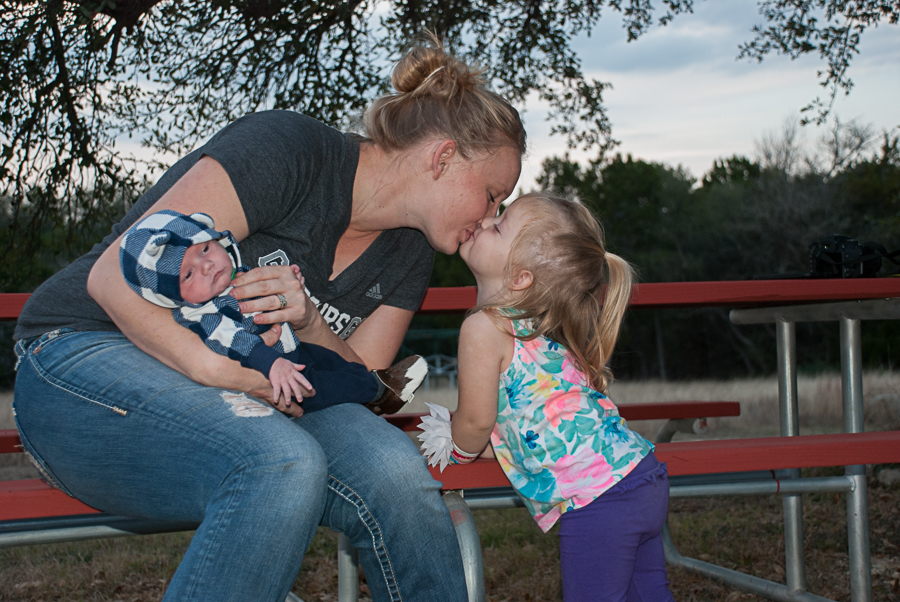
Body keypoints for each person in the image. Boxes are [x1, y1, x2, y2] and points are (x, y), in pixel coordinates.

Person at [12, 32, 525, 602]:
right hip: (83, 352)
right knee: (279, 459)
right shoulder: (289, 150)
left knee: (396, 473)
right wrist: (217, 371)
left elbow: (361, 385)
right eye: (492, 194)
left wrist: (309, 323)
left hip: (252, 397)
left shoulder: (410, 252)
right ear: (443, 157)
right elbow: (110, 276)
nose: (492, 216)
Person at [418, 193, 675, 602]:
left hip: (599, 501)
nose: (485, 220)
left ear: (521, 277)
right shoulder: (537, 331)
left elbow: (476, 422)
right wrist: (483, 448)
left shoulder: (484, 327)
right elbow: (522, 425)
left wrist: (453, 452)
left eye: (499, 225)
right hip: (642, 476)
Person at [119, 209, 427, 413]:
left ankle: (372, 382)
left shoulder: (236, 275)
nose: (207, 265)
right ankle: (376, 391)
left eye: (205, 249)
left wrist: (293, 283)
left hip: (293, 349)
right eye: (188, 274)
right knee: (325, 386)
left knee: (331, 360)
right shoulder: (205, 317)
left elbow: (274, 295)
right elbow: (238, 343)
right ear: (172, 296)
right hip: (277, 377)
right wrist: (273, 366)